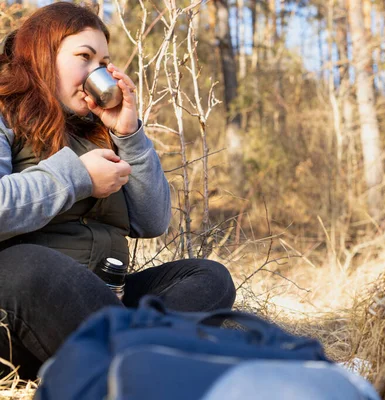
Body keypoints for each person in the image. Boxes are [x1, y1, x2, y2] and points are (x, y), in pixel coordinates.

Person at [0, 2, 236, 380]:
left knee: (206, 277)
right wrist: (77, 175)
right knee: (25, 264)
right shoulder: (5, 112)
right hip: (21, 308)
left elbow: (152, 221)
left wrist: (129, 135)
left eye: (104, 60)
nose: (99, 71)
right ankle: (148, 361)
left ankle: (125, 357)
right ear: (43, 57)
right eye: (84, 56)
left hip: (100, 300)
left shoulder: (98, 131)